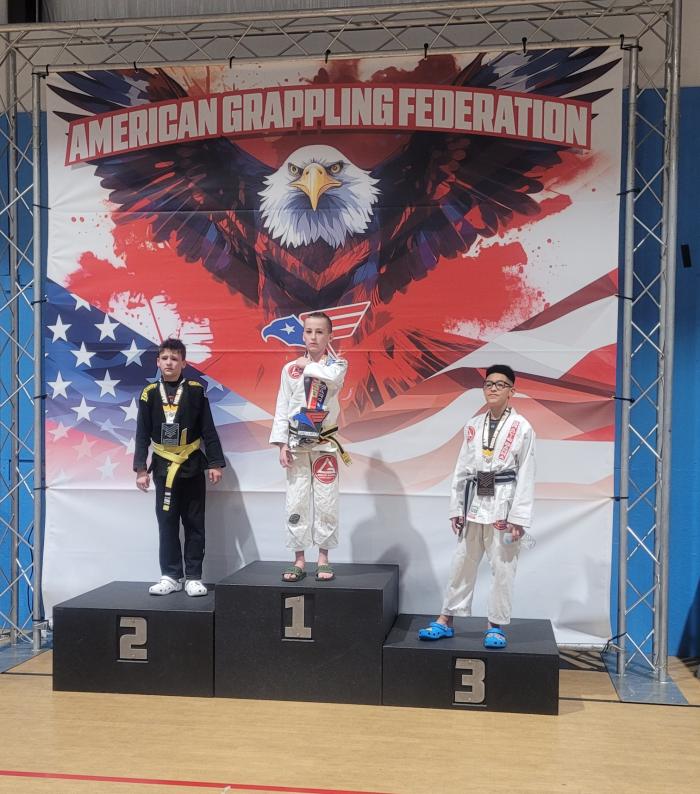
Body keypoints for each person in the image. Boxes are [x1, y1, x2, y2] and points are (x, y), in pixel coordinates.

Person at [418, 364, 535, 648]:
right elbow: (462, 468)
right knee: (462, 562)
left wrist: (519, 517)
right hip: (474, 501)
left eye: (500, 384)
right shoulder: (473, 425)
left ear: (512, 391)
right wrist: (456, 508)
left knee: (503, 566)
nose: (493, 388)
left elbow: (527, 472)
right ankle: (446, 619)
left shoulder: (522, 427)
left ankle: (495, 626)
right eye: (488, 384)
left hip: (504, 503)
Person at [134, 338, 225, 596]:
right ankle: (170, 576)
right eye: (165, 358)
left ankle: (194, 577)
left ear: (184, 363)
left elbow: (208, 429)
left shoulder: (196, 391)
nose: (169, 363)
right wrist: (141, 469)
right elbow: (141, 433)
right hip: (163, 467)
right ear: (157, 362)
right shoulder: (149, 393)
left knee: (195, 522)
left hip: (192, 464)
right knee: (167, 522)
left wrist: (215, 463)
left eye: (175, 359)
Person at [270, 312, 349, 582]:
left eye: (319, 332)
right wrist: (281, 444)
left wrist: (308, 366)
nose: (313, 337)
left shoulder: (338, 365)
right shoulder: (290, 369)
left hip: (325, 443)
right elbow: (282, 407)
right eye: (309, 331)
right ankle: (299, 559)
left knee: (327, 501)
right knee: (296, 500)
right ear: (302, 334)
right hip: (296, 444)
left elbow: (331, 379)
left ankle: (324, 558)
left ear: (330, 336)